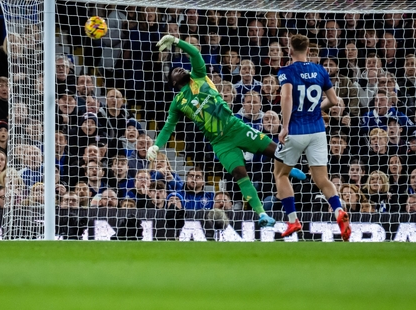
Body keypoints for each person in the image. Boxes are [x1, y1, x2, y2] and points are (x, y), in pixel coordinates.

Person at [147, 35, 305, 228]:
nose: (179, 69)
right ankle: (262, 214)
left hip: (234, 126)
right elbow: (168, 127)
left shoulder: (198, 75)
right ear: (173, 83)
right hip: (220, 143)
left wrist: (176, 41)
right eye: (175, 71)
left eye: (181, 67)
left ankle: (290, 167)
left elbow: (195, 53)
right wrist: (155, 145)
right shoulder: (177, 103)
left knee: (272, 150)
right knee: (240, 175)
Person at [273, 34, 351, 239]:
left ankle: (292, 221)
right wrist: (316, 108)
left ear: (289, 49)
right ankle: (338, 210)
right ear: (308, 50)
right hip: (318, 131)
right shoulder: (320, 70)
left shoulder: (286, 71)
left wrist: (285, 126)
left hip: (297, 130)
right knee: (322, 179)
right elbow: (334, 100)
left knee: (280, 174)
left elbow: (287, 97)